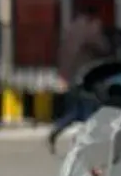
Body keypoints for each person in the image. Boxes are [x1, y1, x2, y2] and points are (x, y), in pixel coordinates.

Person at [47, 11, 113, 152]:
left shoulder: (70, 29)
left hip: (70, 78)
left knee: (76, 111)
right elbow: (103, 46)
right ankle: (83, 141)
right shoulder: (89, 29)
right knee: (91, 111)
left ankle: (57, 131)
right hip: (84, 77)